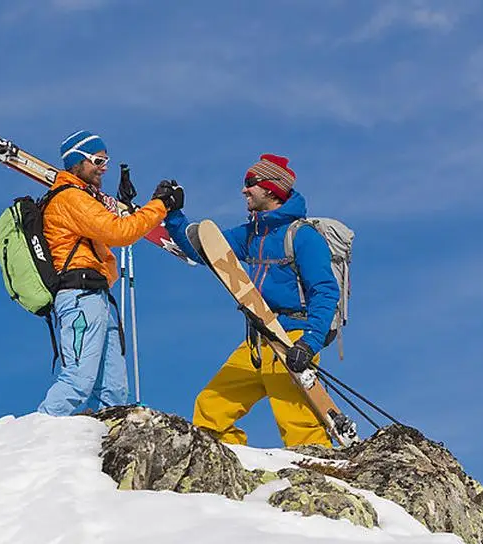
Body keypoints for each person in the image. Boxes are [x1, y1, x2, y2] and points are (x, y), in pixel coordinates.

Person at [163, 154, 340, 446]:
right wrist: (173, 216)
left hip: (291, 338)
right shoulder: (253, 234)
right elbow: (205, 252)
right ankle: (231, 469)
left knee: (300, 428)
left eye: (250, 184)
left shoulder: (303, 236)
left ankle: (317, 481)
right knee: (210, 409)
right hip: (259, 340)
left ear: (271, 189)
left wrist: (308, 343)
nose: (244, 190)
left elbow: (325, 291)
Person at [37, 130, 184, 416]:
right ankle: (30, 443)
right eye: (97, 160)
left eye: (107, 160)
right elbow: (119, 232)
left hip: (97, 297)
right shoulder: (70, 199)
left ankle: (103, 448)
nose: (104, 167)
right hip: (79, 299)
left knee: (113, 391)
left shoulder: (84, 199)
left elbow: (111, 226)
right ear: (77, 161)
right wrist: (161, 205)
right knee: (78, 381)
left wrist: (125, 207)